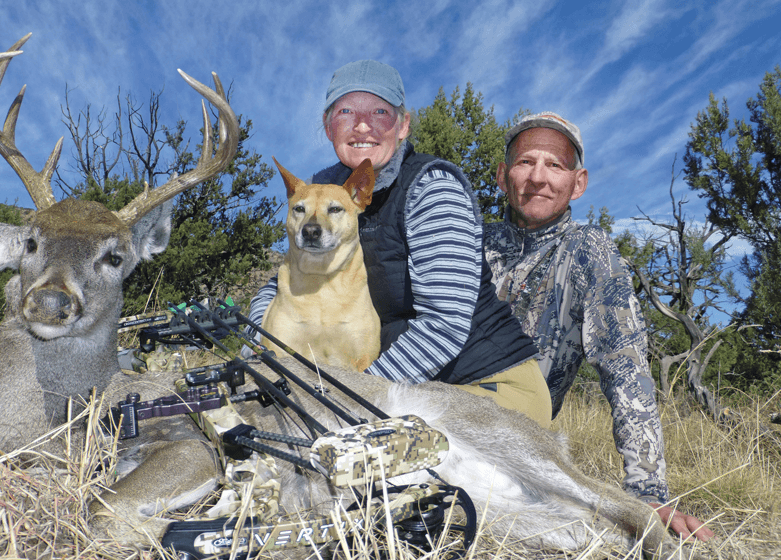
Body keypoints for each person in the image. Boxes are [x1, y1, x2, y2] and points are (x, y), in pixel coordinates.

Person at [247, 60, 552, 427]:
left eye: (379, 111)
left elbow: (446, 323)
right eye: (346, 112)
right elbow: (285, 278)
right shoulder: (323, 191)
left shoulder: (431, 188)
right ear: (330, 127)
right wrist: (258, 337)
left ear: (403, 125)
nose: (362, 125)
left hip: (488, 386)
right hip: (409, 386)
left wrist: (355, 399)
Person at [484, 111, 714, 541]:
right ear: (502, 176)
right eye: (524, 162)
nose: (538, 177)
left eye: (554, 165)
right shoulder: (469, 244)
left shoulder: (588, 250)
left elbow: (625, 368)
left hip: (510, 446)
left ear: (579, 182)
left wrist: (647, 493)